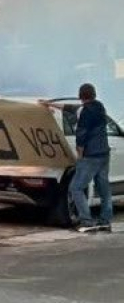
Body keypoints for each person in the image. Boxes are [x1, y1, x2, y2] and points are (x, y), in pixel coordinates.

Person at [69, 83, 112, 232]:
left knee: (76, 188)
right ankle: (105, 220)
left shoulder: (85, 112)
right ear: (93, 94)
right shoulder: (100, 107)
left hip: (91, 156)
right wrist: (54, 106)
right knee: (104, 188)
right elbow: (74, 108)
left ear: (80, 96)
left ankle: (86, 221)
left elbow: (81, 135)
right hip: (104, 154)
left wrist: (80, 156)